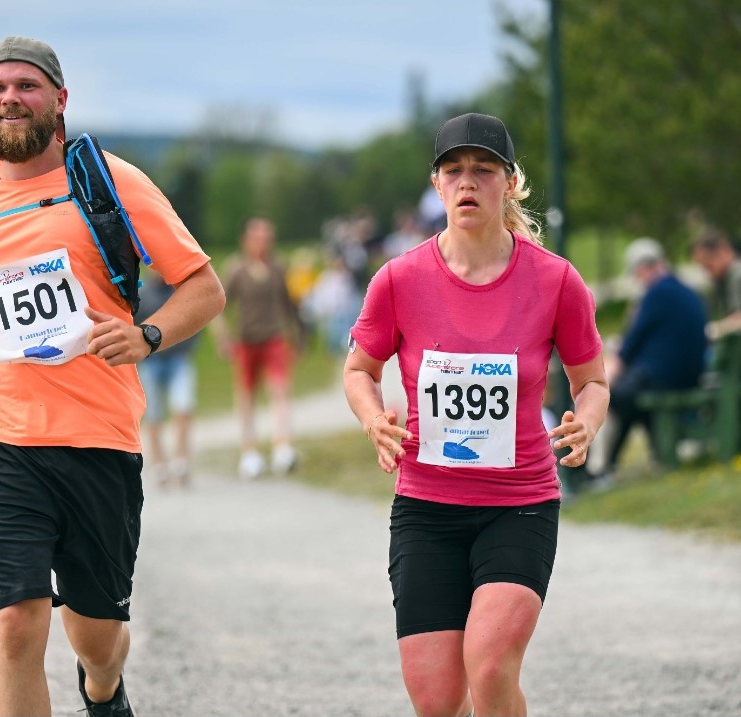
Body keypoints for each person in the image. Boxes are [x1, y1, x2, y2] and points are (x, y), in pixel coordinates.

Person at [0, 36, 225, 717]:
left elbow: (203, 286)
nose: (11, 97)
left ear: (60, 100)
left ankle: (102, 686)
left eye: (27, 86)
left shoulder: (106, 181)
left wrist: (147, 334)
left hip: (97, 439)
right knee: (14, 625)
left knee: (95, 635)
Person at [343, 112, 609, 717]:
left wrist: (586, 421)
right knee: (436, 702)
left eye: (483, 170)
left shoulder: (556, 282)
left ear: (509, 183)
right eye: (454, 170)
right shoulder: (398, 280)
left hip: (519, 504)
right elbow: (359, 368)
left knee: (489, 667)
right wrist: (371, 417)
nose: (468, 182)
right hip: (426, 510)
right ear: (436, 186)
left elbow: (592, 382)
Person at [594, 237, 707, 478]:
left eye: (636, 274)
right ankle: (649, 455)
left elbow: (630, 345)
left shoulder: (656, 295)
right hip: (690, 375)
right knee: (630, 398)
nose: (637, 280)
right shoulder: (684, 290)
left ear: (643, 268)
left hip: (665, 379)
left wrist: (609, 375)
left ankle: (603, 469)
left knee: (617, 397)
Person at [216, 217, 305, 480]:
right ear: (246, 240)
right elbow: (218, 306)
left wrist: (299, 335)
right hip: (246, 341)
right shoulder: (236, 268)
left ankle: (282, 447)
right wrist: (223, 337)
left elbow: (290, 305)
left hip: (275, 338)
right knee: (246, 397)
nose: (263, 243)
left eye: (267, 238)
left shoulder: (278, 267)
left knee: (280, 392)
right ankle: (250, 452)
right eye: (258, 238)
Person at [135, 270, 201, 488]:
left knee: (183, 408)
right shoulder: (143, 294)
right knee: (153, 413)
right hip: (152, 361)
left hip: (178, 358)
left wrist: (189, 347)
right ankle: (160, 464)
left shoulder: (180, 292)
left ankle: (181, 460)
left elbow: (195, 317)